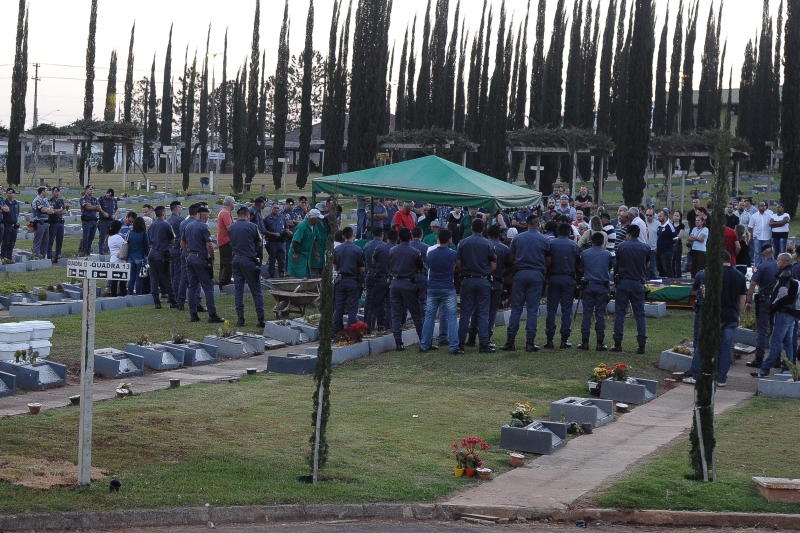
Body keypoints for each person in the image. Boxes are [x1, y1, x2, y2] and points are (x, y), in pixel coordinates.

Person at [683, 251, 746, 387]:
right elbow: (742, 299)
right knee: (725, 347)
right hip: (730, 314)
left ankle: (696, 375)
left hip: (712, 314)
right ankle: (721, 378)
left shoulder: (707, 274)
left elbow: (696, 288)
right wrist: (738, 315)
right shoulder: (739, 276)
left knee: (702, 344)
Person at [502, 216, 551, 352]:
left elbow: (512, 258)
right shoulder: (544, 239)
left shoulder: (518, 238)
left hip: (520, 274)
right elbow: (548, 261)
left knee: (516, 308)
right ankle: (530, 342)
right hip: (536, 275)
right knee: (532, 309)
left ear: (528, 224)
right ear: (538, 224)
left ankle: (510, 341)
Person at [751, 252, 797, 378]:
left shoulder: (785, 275)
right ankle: (788, 367)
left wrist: (773, 307)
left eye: (778, 261)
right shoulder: (793, 272)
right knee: (787, 341)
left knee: (775, 340)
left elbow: (781, 295)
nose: (777, 263)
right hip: (792, 313)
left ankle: (765, 369)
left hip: (784, 312)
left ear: (784, 262)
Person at [456, 218, 497, 353]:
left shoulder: (462, 243)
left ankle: (460, 343)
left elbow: (458, 265)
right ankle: (484, 344)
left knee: (465, 313)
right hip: (483, 280)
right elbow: (493, 266)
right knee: (483, 313)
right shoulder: (488, 244)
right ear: (483, 229)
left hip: (467, 280)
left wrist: (466, 273)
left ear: (472, 228)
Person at [420, 228, 461, 354]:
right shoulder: (453, 254)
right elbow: (458, 268)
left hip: (432, 286)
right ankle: (454, 346)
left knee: (429, 317)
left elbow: (429, 266)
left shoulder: (430, 253)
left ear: (438, 238)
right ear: (449, 240)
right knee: (451, 317)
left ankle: (424, 344)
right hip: (448, 287)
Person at [182, 207, 225, 323]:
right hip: (200, 258)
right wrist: (212, 258)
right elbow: (209, 244)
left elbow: (183, 242)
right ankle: (212, 314)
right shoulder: (204, 226)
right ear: (205, 216)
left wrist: (187, 253)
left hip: (190, 257)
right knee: (208, 287)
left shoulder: (188, 226)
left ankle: (193, 314)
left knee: (192, 286)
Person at [612, 224, 650, 354]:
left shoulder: (622, 246)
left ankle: (617, 343)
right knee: (640, 315)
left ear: (628, 234)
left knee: (620, 314)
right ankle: (641, 344)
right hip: (637, 282)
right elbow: (647, 265)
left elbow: (618, 263)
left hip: (623, 282)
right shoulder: (645, 247)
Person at [545, 223, 581, 349]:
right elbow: (578, 264)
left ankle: (549, 338)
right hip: (568, 278)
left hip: (554, 277)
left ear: (557, 232)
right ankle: (564, 339)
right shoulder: (574, 245)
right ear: (569, 233)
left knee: (551, 309)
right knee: (566, 310)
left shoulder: (551, 244)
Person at [228, 206, 265, 328]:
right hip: (249, 260)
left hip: (236, 259)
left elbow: (231, 242)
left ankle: (240, 318)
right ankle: (260, 318)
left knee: (238, 291)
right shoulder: (253, 226)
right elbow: (259, 243)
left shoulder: (231, 227)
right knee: (256, 290)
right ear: (248, 215)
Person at [388, 228, 424, 351]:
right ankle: (423, 340)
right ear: (410, 238)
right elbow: (421, 268)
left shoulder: (392, 251)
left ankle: (398, 342)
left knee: (396, 314)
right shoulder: (415, 252)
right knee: (416, 314)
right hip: (408, 284)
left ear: (399, 238)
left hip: (394, 283)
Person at [745, 245, 779, 369]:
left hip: (764, 301)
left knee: (762, 330)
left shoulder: (762, 267)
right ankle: (777, 358)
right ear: (773, 253)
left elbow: (753, 284)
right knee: (776, 330)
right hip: (777, 301)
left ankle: (759, 358)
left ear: (763, 255)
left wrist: (748, 301)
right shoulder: (779, 266)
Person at [578, 231, 613, 351]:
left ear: (591, 241)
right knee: (600, 315)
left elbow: (581, 267)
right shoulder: (607, 254)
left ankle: (585, 342)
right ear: (603, 242)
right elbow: (609, 268)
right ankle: (599, 342)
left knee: (587, 314)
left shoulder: (585, 253)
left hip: (588, 286)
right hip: (602, 286)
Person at [333, 226, 365, 333]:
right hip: (353, 281)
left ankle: (336, 331)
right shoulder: (358, 249)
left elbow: (335, 267)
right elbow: (362, 269)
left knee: (338, 308)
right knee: (352, 308)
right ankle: (352, 332)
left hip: (340, 281)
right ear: (353, 235)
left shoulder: (337, 249)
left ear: (343, 236)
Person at [147, 206, 177, 309]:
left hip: (152, 253)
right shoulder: (166, 225)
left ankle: (156, 301)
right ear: (163, 213)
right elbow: (172, 240)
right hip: (162, 253)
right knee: (166, 277)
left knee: (154, 278)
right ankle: (172, 300)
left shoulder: (151, 226)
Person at [371, 229, 398, 332]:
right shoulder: (397, 249)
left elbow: (374, 261)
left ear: (387, 237)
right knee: (391, 304)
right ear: (397, 238)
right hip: (393, 279)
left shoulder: (380, 247)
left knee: (376, 303)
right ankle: (388, 325)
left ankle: (373, 326)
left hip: (381, 278)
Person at [288, 209, 322, 279]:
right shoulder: (302, 226)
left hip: (306, 253)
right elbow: (295, 241)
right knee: (299, 274)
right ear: (313, 218)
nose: (319, 220)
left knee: (306, 273)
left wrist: (316, 251)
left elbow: (316, 238)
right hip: (299, 252)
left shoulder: (315, 226)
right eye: (318, 218)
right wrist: (295, 253)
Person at [363, 227, 384, 332]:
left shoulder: (367, 245)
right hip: (379, 276)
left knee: (368, 299)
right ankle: (380, 323)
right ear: (382, 235)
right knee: (380, 300)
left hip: (369, 274)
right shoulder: (383, 246)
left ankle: (366, 322)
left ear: (372, 235)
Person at [265, 201, 290, 278]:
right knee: (272, 259)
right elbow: (264, 230)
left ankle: (281, 274)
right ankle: (271, 275)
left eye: (277, 208)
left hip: (281, 241)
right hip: (272, 242)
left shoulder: (282, 217)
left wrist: (288, 231)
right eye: (274, 208)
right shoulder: (267, 219)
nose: (276, 209)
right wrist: (273, 234)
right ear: (271, 208)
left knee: (282, 259)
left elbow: (286, 227)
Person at [410, 227, 430, 321]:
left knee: (408, 301)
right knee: (423, 300)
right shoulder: (426, 247)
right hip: (422, 275)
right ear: (421, 235)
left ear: (412, 235)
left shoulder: (407, 246)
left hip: (409, 276)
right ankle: (423, 319)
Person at [126, 217, 149, 296]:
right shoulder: (143, 233)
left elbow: (127, 243)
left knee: (131, 278)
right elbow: (147, 246)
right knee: (139, 278)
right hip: (140, 256)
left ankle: (130, 293)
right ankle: (139, 294)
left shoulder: (130, 232)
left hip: (130, 256)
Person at [216, 196, 235, 289]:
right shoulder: (225, 213)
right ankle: (224, 282)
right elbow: (230, 228)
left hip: (222, 240)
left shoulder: (223, 212)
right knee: (228, 262)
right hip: (225, 240)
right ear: (231, 204)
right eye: (234, 203)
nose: (234, 205)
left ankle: (222, 279)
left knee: (224, 262)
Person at [78, 185, 102, 256]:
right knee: (85, 237)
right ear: (85, 191)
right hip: (86, 221)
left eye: (92, 189)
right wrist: (95, 207)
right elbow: (87, 207)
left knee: (91, 237)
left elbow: (99, 208)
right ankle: (82, 251)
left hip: (94, 221)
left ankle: (88, 251)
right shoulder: (83, 199)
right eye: (90, 189)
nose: (91, 191)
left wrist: (93, 207)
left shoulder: (94, 199)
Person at [748, 201, 773, 267]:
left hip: (766, 236)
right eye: (761, 206)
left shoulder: (770, 215)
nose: (763, 207)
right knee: (757, 253)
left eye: (764, 205)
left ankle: (765, 266)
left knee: (766, 252)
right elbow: (750, 227)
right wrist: (750, 236)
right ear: (758, 207)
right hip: (757, 237)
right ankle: (757, 267)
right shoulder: (754, 216)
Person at [31, 186, 53, 259]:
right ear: (42, 191)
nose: (47, 192)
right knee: (38, 242)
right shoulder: (36, 200)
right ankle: (36, 257)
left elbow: (51, 211)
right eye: (46, 190)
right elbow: (42, 209)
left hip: (46, 223)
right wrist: (47, 210)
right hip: (39, 222)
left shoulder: (45, 201)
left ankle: (42, 257)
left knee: (45, 242)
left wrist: (47, 210)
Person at [107, 220, 128, 297]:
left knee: (114, 280)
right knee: (122, 280)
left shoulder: (110, 237)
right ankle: (123, 294)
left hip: (113, 259)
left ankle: (114, 295)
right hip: (120, 260)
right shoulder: (117, 237)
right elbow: (124, 246)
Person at [46, 186, 67, 263]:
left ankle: (58, 255)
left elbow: (64, 211)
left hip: (60, 222)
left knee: (60, 240)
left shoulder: (61, 201)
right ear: (52, 192)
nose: (57, 193)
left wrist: (57, 211)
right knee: (51, 240)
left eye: (58, 191)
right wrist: (58, 210)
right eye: (55, 191)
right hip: (53, 222)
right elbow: (51, 211)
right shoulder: (50, 201)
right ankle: (49, 256)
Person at [655, 209, 677, 278]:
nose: (658, 218)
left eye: (660, 216)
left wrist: (668, 246)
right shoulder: (659, 226)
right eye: (658, 216)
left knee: (667, 268)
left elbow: (675, 239)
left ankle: (670, 283)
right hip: (659, 251)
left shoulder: (669, 226)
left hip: (667, 251)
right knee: (660, 268)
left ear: (665, 217)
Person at [97, 188, 118, 255]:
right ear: (107, 193)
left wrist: (115, 215)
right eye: (109, 196)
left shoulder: (114, 200)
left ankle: (107, 250)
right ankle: (101, 251)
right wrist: (103, 213)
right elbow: (98, 207)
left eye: (111, 196)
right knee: (102, 237)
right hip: (103, 221)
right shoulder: (102, 199)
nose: (110, 197)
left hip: (111, 221)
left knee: (110, 237)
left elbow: (116, 209)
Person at [645, 208, 660, 279]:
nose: (648, 217)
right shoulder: (643, 223)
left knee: (652, 268)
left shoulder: (657, 224)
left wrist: (657, 247)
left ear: (654, 215)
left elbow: (659, 236)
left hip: (653, 248)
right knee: (645, 267)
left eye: (650, 215)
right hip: (644, 248)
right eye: (647, 215)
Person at [671, 211, 686, 279]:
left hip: (678, 245)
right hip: (671, 246)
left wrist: (673, 237)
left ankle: (679, 278)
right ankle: (673, 277)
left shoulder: (682, 225)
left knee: (678, 263)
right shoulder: (670, 225)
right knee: (672, 263)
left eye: (677, 216)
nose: (675, 217)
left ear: (680, 217)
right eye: (674, 215)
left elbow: (680, 236)